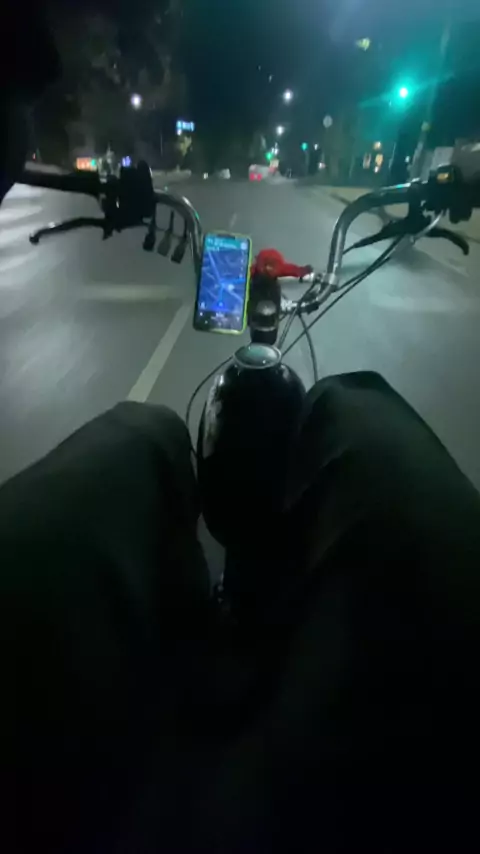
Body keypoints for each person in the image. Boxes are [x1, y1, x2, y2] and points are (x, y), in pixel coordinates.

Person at [2, 7, 480, 853]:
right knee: (358, 406)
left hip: (72, 760)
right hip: (368, 791)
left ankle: (185, 633)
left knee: (145, 429)